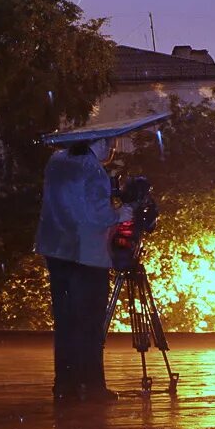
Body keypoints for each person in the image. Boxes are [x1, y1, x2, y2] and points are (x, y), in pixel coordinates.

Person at [34, 134, 130, 403]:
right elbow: (97, 214)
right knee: (89, 322)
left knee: (65, 321)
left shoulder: (57, 160)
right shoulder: (93, 169)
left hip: (56, 249)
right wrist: (122, 213)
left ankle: (65, 383)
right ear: (97, 144)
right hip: (86, 253)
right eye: (110, 144)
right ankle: (93, 385)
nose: (112, 150)